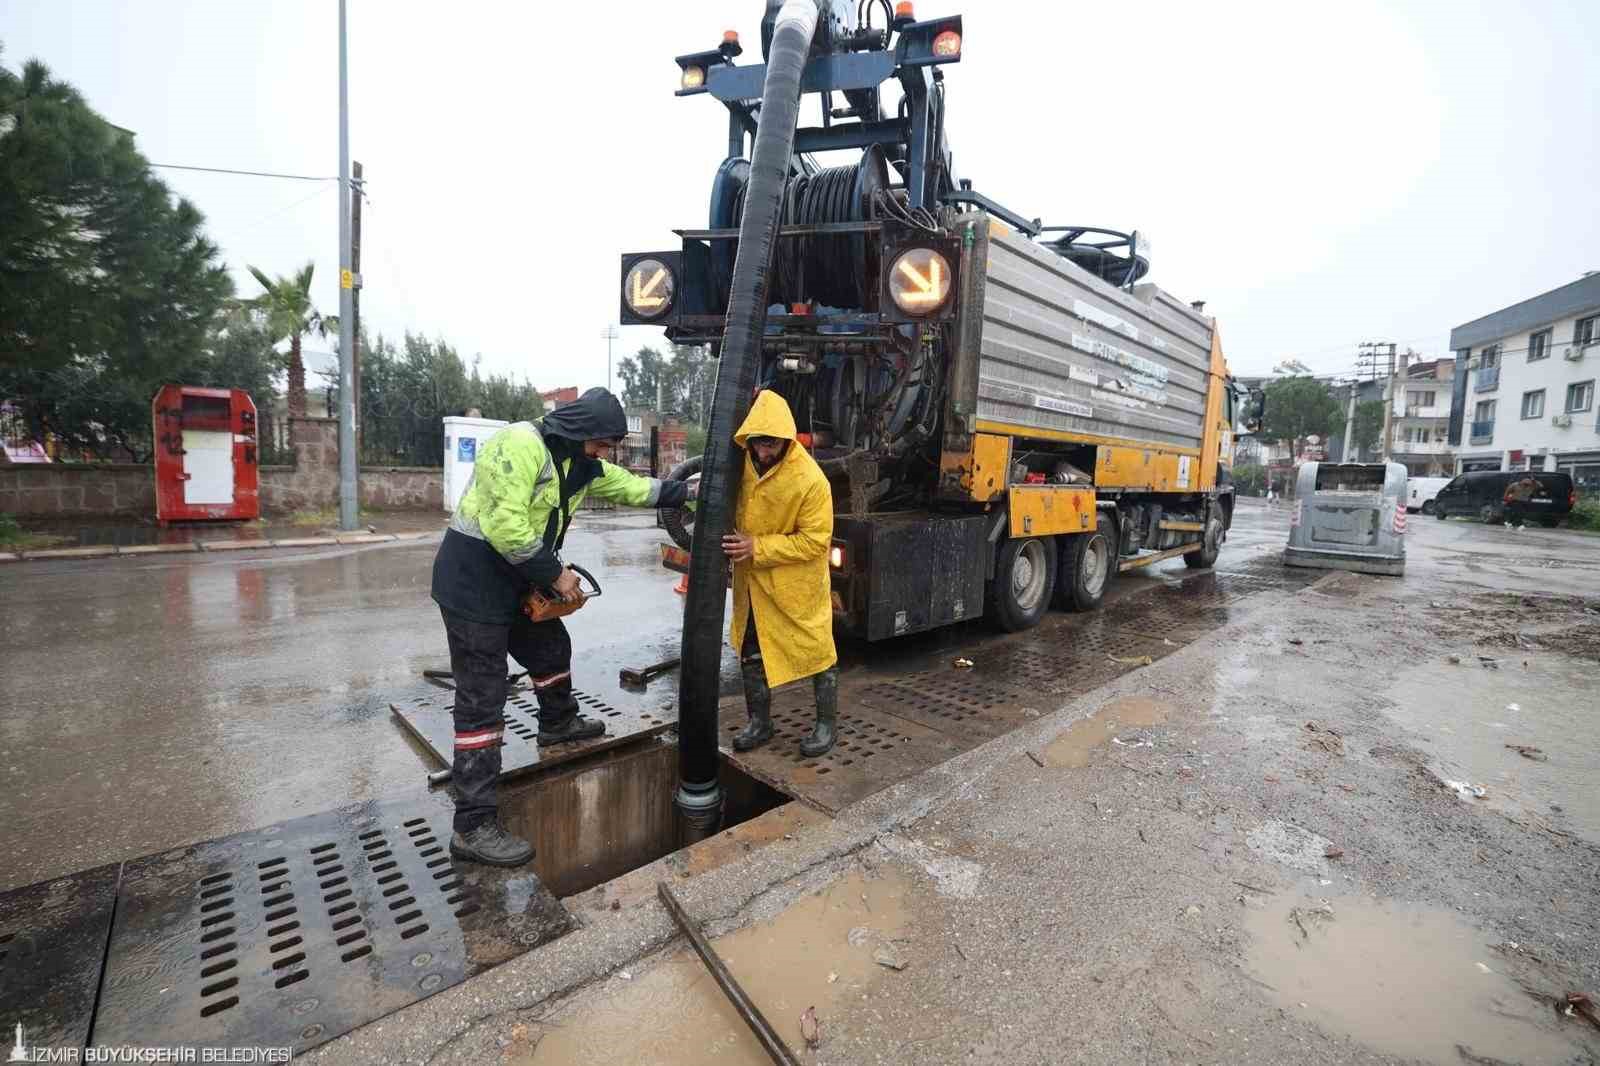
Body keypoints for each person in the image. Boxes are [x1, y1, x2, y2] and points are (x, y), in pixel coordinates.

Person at [431, 387, 693, 866]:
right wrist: (555, 575)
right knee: (482, 697)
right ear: (579, 430)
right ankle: (472, 825)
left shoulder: (579, 463)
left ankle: (558, 724)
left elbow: (633, 488)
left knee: (550, 647)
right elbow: (505, 525)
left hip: (518, 578)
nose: (604, 454)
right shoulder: (518, 445)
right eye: (602, 444)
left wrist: (689, 491)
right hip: (473, 581)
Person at [721, 390, 839, 757]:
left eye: (770, 444)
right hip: (752, 583)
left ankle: (826, 725)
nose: (763, 452)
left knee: (818, 653)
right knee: (750, 650)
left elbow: (815, 541)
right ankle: (760, 723)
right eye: (757, 444)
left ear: (787, 439)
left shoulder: (811, 480)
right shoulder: (740, 464)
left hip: (795, 586)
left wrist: (758, 547)